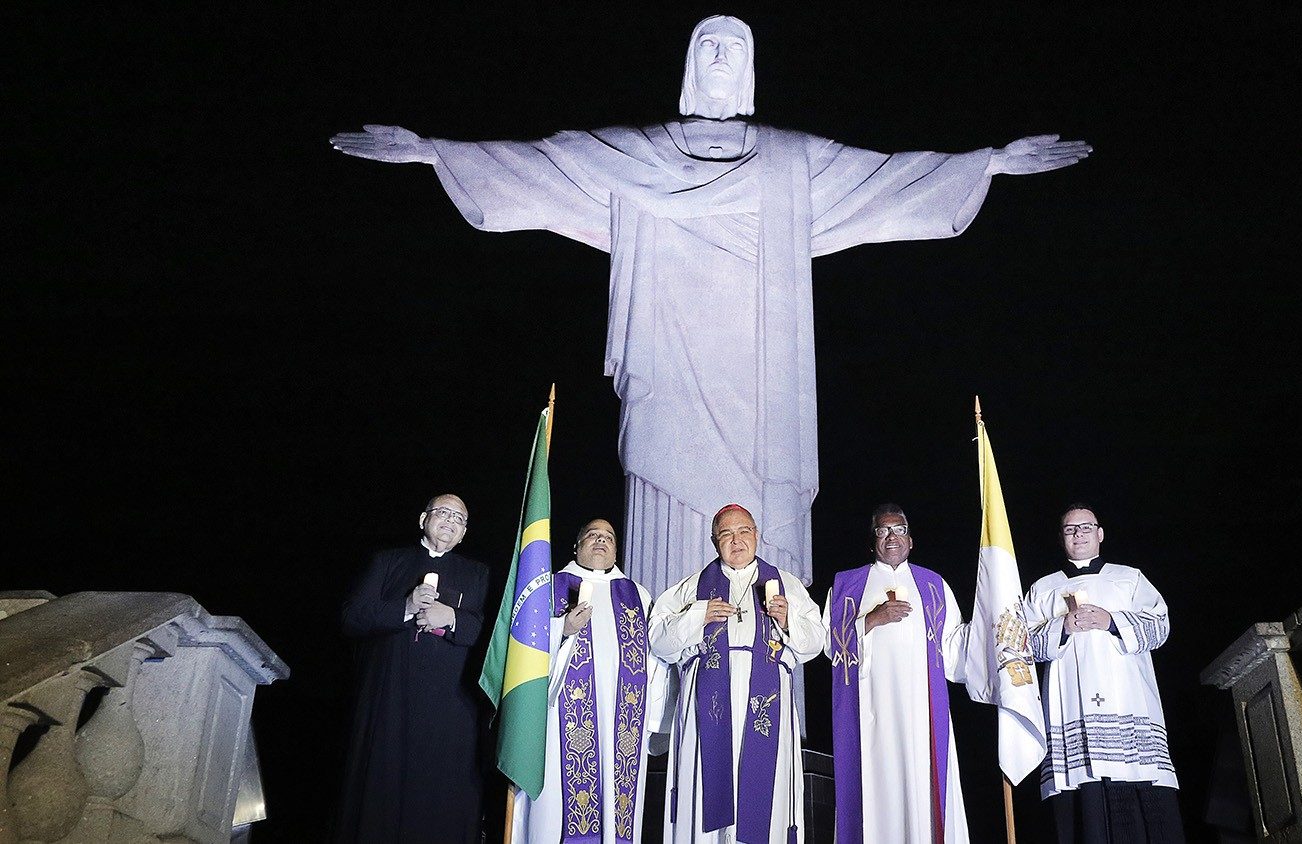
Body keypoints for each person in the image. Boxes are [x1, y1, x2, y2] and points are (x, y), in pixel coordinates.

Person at [329, 15, 1091, 603]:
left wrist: (985, 162)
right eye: (709, 45)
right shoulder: (640, 153)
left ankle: (766, 686)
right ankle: (658, 685)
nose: (722, 57)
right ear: (691, 67)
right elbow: (542, 163)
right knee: (666, 515)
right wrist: (437, 152)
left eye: (735, 46)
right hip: (670, 370)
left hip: (761, 384)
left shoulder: (792, 160)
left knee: (764, 531)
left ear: (751, 70)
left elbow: (886, 180)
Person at [648, 504, 824, 843]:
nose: (736, 540)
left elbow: (816, 642)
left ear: (756, 536)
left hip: (766, 703)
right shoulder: (692, 587)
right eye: (726, 534)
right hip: (707, 707)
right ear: (715, 542)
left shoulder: (786, 585)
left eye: (743, 531)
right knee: (705, 794)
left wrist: (789, 621)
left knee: (761, 797)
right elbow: (659, 641)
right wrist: (697, 615)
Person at [1022, 505, 1186, 843]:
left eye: (1085, 527)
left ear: (1100, 534)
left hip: (1129, 705)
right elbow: (1022, 646)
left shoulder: (1129, 578)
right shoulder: (1043, 588)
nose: (1078, 534)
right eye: (1070, 530)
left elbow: (1161, 627)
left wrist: (1112, 621)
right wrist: (1061, 627)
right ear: (1061, 538)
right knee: (1085, 810)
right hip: (1071, 709)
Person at [336, 494, 492, 843]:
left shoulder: (478, 574)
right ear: (424, 518)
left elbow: (488, 632)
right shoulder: (387, 562)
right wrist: (404, 607)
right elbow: (352, 617)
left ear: (464, 533)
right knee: (379, 797)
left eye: (459, 518)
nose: (450, 521)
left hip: (450, 709)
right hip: (387, 699)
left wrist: (452, 618)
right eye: (443, 513)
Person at [823, 504, 973, 843]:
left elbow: (953, 649)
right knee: (876, 796)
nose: (892, 536)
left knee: (924, 792)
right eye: (882, 530)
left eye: (899, 529)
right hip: (871, 716)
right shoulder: (847, 585)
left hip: (922, 716)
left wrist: (985, 630)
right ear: (872, 539)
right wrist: (872, 619)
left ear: (911, 539)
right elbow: (827, 647)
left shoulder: (933, 585)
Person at [510, 519, 664, 843]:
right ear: (576, 546)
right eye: (592, 535)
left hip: (622, 729)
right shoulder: (551, 586)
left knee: (615, 808)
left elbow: (657, 663)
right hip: (557, 723)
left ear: (616, 550)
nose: (601, 541)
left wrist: (651, 720)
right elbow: (522, 647)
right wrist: (561, 629)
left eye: (608, 537)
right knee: (554, 810)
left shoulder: (638, 595)